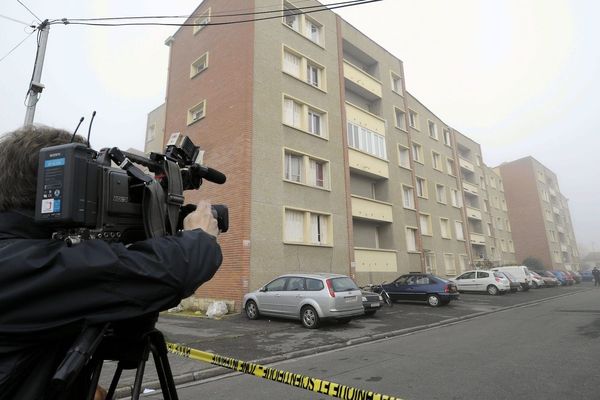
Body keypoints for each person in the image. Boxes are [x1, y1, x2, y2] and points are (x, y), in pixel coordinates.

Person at [0, 125, 223, 399]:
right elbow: (160, 273)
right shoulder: (21, 265)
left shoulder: (18, 250)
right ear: (50, 184)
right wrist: (199, 237)